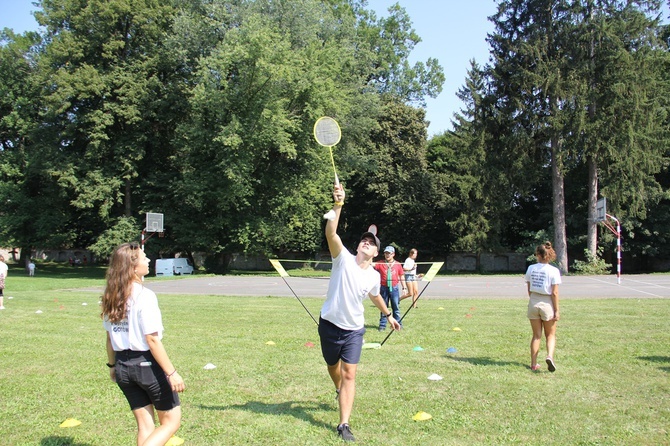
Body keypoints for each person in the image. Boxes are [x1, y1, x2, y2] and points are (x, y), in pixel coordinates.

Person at [319, 184, 401, 442]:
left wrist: (388, 315)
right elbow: (331, 232)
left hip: (354, 330)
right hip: (330, 325)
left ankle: (343, 424)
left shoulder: (374, 275)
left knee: (349, 373)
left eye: (371, 243)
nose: (366, 242)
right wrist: (338, 205)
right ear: (358, 246)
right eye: (364, 240)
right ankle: (337, 389)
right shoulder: (341, 258)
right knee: (333, 368)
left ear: (376, 253)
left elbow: (375, 295)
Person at [102, 242, 185, 446]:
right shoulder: (145, 296)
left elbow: (109, 338)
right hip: (145, 365)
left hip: (123, 367)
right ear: (132, 267)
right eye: (144, 257)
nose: (148, 260)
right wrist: (172, 373)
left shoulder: (111, 295)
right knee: (171, 422)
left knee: (146, 426)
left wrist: (113, 367)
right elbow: (152, 339)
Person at [524, 241, 561, 372]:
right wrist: (556, 310)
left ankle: (533, 364)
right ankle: (550, 356)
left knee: (536, 335)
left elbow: (529, 288)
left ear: (538, 254)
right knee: (550, 335)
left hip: (534, 300)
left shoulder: (531, 268)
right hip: (547, 302)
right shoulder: (554, 271)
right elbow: (555, 293)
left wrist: (533, 299)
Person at [373, 246, 407, 330]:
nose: (387, 255)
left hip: (394, 288)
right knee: (383, 306)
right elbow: (371, 264)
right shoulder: (380, 263)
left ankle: (398, 324)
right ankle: (382, 325)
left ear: (393, 254)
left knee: (395, 307)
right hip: (383, 288)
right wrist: (371, 254)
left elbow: (401, 276)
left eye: (389, 253)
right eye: (386, 253)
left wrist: (404, 288)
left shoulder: (398, 264)